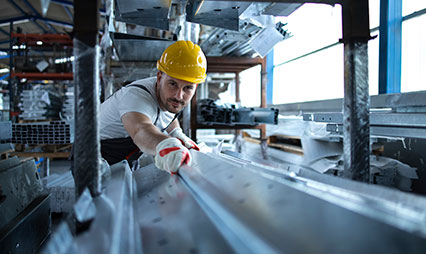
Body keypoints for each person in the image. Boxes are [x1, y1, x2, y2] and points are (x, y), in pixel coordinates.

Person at [99, 40, 206, 174]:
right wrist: (167, 145)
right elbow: (140, 130)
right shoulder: (136, 97)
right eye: (172, 84)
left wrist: (176, 133)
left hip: (124, 158)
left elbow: (168, 115)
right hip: (96, 158)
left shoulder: (169, 98)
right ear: (160, 77)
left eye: (188, 88)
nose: (179, 95)